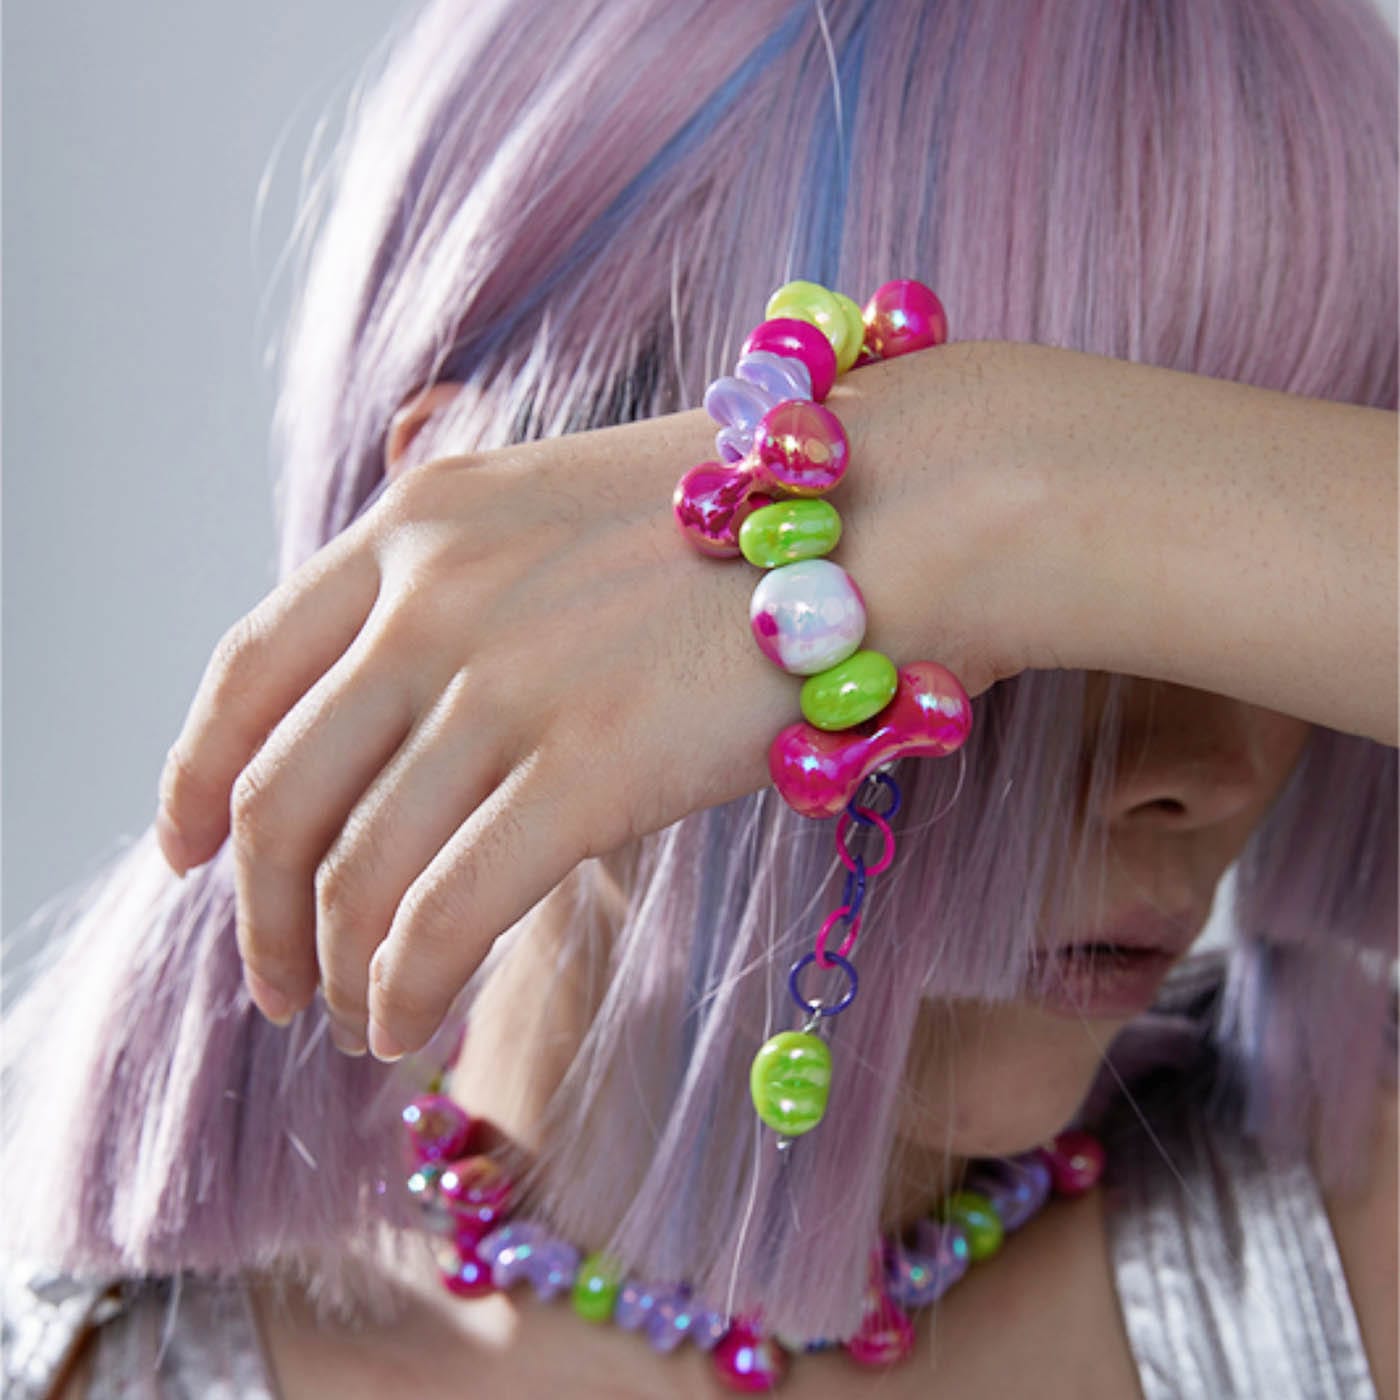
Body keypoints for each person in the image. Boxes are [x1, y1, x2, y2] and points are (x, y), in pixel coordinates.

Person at [3, 0, 1396, 1396]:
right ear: (489, 543)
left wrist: (1005, 488)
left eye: (1218, 569)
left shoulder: (1354, 1232)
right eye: (990, 619)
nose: (1203, 769)